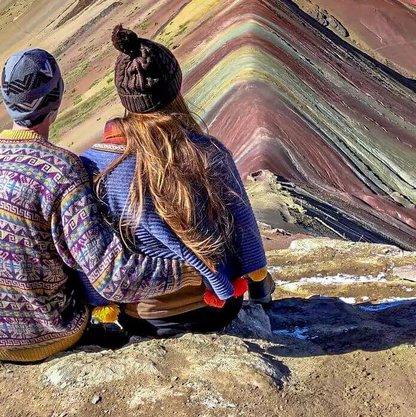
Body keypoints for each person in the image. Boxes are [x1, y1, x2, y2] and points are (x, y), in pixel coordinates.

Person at [0, 48, 196, 362]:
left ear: (5, 98)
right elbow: (110, 276)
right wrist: (187, 271)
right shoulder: (61, 168)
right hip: (42, 336)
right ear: (56, 100)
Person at [80, 26, 274, 337]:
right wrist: (261, 293)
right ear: (174, 89)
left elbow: (89, 249)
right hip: (215, 309)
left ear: (123, 96)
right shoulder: (208, 151)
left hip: (141, 317)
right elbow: (245, 230)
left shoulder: (93, 165)